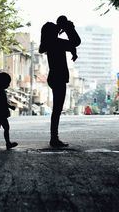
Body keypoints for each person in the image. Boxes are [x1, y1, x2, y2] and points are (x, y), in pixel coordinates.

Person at [39, 17, 81, 147]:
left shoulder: (48, 43)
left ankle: (54, 137)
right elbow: (76, 42)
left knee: (57, 110)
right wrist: (69, 28)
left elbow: (72, 45)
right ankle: (54, 138)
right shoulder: (56, 42)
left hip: (54, 77)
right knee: (57, 110)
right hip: (59, 77)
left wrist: (64, 28)